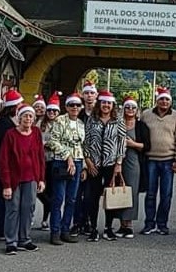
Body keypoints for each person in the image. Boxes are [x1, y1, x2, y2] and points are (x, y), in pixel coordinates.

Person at [0, 105, 46, 255]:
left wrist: (41, 179)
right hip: (14, 178)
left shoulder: (36, 133)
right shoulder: (10, 134)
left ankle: (24, 239)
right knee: (13, 209)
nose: (28, 119)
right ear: (19, 118)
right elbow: (4, 160)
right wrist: (6, 184)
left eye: (31, 116)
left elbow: (40, 157)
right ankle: (11, 241)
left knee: (28, 208)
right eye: (25, 116)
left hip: (31, 177)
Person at [83, 90, 127, 241]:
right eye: (103, 102)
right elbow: (86, 141)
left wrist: (119, 163)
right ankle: (93, 228)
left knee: (110, 197)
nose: (106, 105)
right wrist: (88, 161)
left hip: (111, 164)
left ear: (112, 104)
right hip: (94, 164)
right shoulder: (92, 120)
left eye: (109, 103)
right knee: (92, 197)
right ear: (99, 104)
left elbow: (122, 142)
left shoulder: (118, 120)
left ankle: (108, 227)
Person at [141, 86, 176, 236]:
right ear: (157, 101)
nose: (164, 102)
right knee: (151, 194)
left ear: (170, 101)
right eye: (161, 99)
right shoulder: (146, 115)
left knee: (166, 194)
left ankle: (162, 223)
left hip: (168, 160)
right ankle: (149, 223)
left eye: (167, 99)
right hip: (151, 159)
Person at [45, 92, 86, 245]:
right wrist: (67, 156)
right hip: (62, 163)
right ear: (66, 107)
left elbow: (82, 145)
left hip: (78, 162)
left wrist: (83, 167)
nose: (74, 107)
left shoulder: (81, 124)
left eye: (77, 105)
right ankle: (55, 231)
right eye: (71, 105)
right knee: (58, 198)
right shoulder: (59, 121)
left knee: (72, 199)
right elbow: (52, 142)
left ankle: (65, 230)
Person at [0, 93, 21, 239]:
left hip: (9, 166)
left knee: (6, 198)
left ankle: (4, 228)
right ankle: (1, 230)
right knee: (3, 198)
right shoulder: (4, 125)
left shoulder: (7, 122)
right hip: (4, 166)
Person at [118, 95, 149, 238]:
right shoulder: (117, 124)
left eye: (133, 107)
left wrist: (132, 144)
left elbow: (147, 146)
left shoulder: (141, 126)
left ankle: (129, 224)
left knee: (131, 192)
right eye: (127, 107)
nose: (130, 110)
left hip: (133, 161)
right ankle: (121, 224)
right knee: (118, 191)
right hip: (117, 162)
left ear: (137, 110)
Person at [36, 93, 62, 231]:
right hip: (42, 160)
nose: (52, 113)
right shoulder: (41, 124)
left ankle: (47, 219)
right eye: (50, 110)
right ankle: (50, 206)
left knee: (52, 189)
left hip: (55, 160)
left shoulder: (61, 124)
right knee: (39, 189)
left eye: (54, 111)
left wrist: (50, 144)